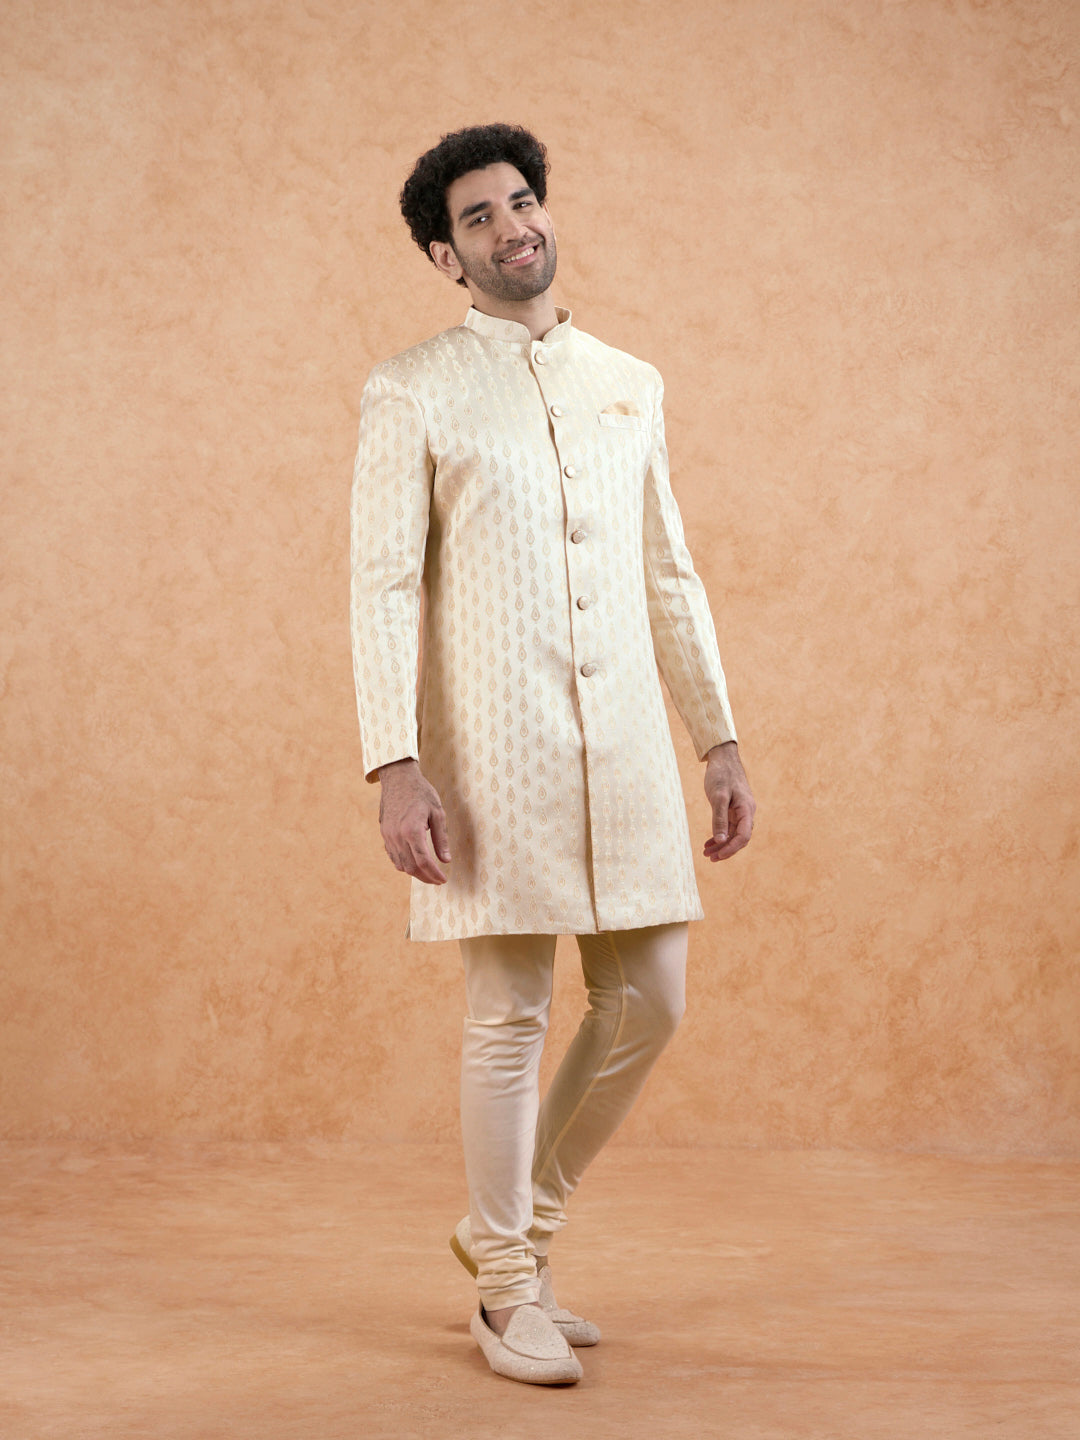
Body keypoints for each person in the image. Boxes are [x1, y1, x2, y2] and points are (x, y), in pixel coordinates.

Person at [349, 123, 755, 1386]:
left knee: (651, 1000)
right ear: (445, 255)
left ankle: (509, 1231)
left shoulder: (629, 380)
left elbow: (670, 572)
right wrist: (394, 762)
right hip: (492, 749)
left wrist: (718, 737)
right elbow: (382, 584)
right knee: (510, 1013)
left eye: (521, 201)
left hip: (626, 744)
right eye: (478, 216)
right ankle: (507, 1291)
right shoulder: (412, 389)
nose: (512, 226)